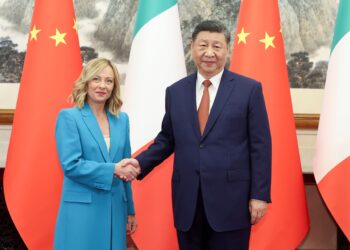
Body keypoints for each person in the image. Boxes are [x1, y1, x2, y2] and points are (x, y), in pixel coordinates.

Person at [130, 20, 272, 249]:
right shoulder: (175, 92)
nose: (209, 53)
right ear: (192, 47)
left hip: (232, 202)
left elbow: (261, 146)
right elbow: (167, 140)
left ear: (227, 49)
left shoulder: (249, 90)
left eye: (217, 46)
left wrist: (259, 195)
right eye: (203, 45)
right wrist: (138, 164)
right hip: (188, 201)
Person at [54, 58, 140, 250]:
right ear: (86, 82)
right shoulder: (69, 117)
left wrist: (130, 210)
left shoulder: (122, 120)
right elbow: (71, 165)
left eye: (109, 81)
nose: (102, 85)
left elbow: (125, 169)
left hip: (116, 208)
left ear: (114, 86)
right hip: (82, 210)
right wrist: (113, 169)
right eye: (96, 79)